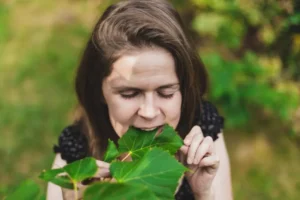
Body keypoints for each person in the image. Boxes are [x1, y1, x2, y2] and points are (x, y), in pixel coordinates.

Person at [47, 0, 233, 199]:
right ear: (99, 90)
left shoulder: (202, 131)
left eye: (166, 93)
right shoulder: (75, 162)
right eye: (129, 94)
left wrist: (204, 194)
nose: (149, 112)